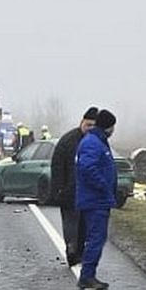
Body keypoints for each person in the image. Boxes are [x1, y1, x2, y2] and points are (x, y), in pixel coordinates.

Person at [75, 109, 117, 290]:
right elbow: (88, 168)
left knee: (96, 238)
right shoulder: (93, 143)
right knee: (95, 238)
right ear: (107, 126)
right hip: (95, 200)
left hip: (98, 199)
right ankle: (87, 277)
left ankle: (89, 275)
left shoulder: (98, 141)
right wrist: (103, 186)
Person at [50, 107, 97, 266]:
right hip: (69, 190)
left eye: (93, 126)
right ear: (81, 122)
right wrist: (58, 188)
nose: (90, 129)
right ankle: (71, 249)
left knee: (84, 224)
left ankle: (79, 252)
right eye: (88, 125)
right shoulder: (68, 140)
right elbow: (57, 165)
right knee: (71, 222)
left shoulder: (97, 142)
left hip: (88, 192)